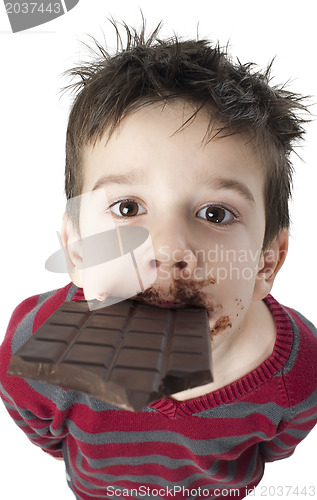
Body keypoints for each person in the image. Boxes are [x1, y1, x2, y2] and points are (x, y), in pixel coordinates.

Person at [1, 21, 316, 500]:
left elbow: (275, 448)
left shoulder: (300, 370)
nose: (169, 249)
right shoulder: (37, 347)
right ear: (78, 249)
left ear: (266, 264)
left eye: (215, 213)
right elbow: (43, 431)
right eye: (127, 208)